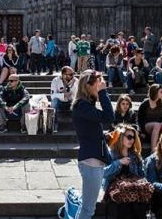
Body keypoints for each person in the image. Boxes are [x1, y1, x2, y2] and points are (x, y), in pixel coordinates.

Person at [71, 69, 114, 219]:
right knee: (88, 209)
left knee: (86, 205)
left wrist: (102, 136)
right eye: (98, 83)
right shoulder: (82, 105)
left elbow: (88, 129)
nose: (101, 85)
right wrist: (103, 93)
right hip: (91, 162)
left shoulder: (85, 104)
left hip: (94, 159)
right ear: (88, 86)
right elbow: (109, 117)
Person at [103, 124, 146, 219]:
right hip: (114, 187)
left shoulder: (135, 155)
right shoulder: (111, 153)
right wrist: (118, 162)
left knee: (138, 204)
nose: (132, 140)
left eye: (134, 137)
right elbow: (103, 173)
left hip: (133, 187)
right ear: (121, 137)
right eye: (129, 137)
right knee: (124, 205)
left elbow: (142, 174)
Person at [138, 84, 162, 152]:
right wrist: (141, 131)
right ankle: (153, 151)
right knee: (157, 125)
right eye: (161, 92)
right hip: (147, 127)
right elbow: (139, 119)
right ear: (155, 92)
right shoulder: (145, 104)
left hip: (158, 126)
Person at [50, 66, 78, 133]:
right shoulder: (55, 80)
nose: (73, 76)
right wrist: (63, 95)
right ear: (63, 75)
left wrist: (73, 86)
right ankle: (54, 124)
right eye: (70, 74)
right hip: (60, 103)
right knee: (54, 102)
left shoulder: (76, 81)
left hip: (71, 102)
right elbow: (52, 96)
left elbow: (77, 95)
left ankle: (77, 124)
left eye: (73, 74)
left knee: (79, 102)